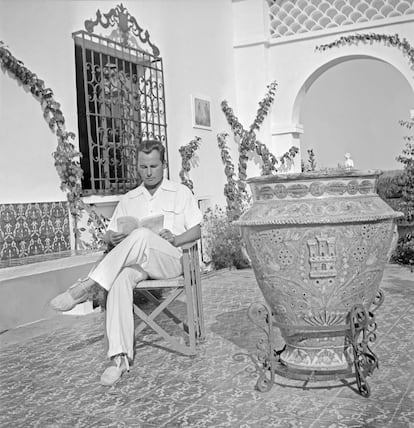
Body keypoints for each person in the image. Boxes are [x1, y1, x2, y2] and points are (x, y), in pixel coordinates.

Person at [50, 139, 203, 386]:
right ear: (138, 167)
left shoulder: (181, 193)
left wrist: (175, 238)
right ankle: (118, 359)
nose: (148, 172)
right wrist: (113, 236)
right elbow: (108, 235)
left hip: (171, 259)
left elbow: (196, 231)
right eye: (143, 167)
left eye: (153, 166)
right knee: (120, 279)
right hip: (139, 264)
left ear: (163, 165)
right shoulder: (130, 198)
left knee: (141, 235)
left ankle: (87, 286)